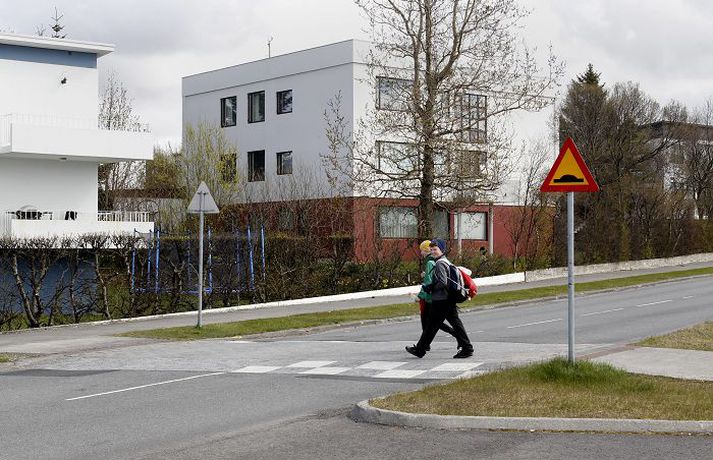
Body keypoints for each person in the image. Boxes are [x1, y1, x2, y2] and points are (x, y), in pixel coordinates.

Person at [406, 239, 474, 359]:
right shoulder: (445, 261)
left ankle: (420, 349)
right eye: (431, 249)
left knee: (432, 325)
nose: (433, 252)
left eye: (435, 249)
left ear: (442, 250)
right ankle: (467, 348)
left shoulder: (440, 263)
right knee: (450, 324)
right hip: (448, 298)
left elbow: (442, 282)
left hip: (442, 299)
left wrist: (430, 287)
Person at [416, 240, 457, 351]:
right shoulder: (434, 260)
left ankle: (457, 335)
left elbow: (430, 281)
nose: (421, 253)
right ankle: (424, 345)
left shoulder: (430, 262)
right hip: (436, 296)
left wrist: (422, 295)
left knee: (430, 321)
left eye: (422, 250)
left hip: (430, 296)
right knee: (432, 321)